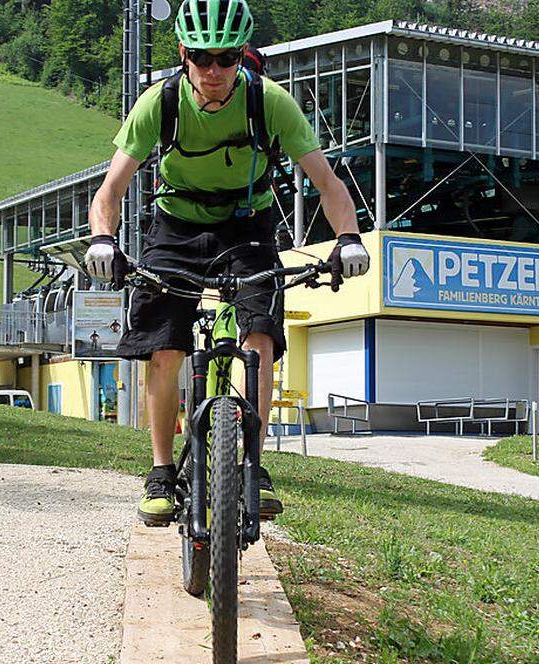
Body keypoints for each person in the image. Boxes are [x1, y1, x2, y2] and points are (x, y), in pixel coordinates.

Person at [85, 0, 369, 525]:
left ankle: (254, 465)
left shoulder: (271, 103)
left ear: (241, 55)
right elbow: (109, 193)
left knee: (259, 334)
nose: (213, 71)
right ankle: (161, 471)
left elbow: (329, 186)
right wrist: (103, 240)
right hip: (175, 227)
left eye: (225, 58)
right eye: (201, 57)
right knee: (165, 346)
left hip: (247, 226)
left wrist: (348, 238)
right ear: (183, 54)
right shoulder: (159, 103)